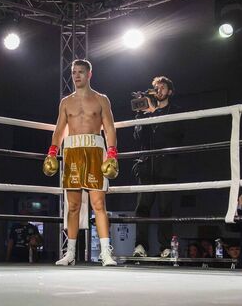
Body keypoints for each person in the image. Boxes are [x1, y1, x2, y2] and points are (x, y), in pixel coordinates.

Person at [43, 59, 118, 267]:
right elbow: (59, 129)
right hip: (73, 151)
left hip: (95, 150)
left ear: (89, 75)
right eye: (74, 72)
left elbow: (110, 128)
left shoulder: (101, 99)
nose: (76, 76)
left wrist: (111, 153)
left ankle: (105, 253)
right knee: (73, 205)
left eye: (81, 72)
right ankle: (70, 253)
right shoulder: (66, 102)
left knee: (98, 204)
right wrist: (52, 151)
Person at [131, 76, 183, 258]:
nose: (159, 90)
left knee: (165, 208)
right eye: (155, 87)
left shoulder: (176, 111)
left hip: (167, 167)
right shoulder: (146, 111)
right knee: (142, 208)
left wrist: (154, 113)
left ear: (170, 91)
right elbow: (138, 138)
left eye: (162, 87)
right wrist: (143, 114)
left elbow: (172, 134)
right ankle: (140, 246)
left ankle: (165, 247)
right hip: (146, 166)